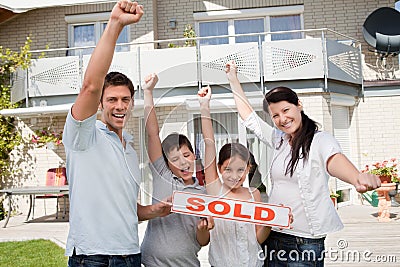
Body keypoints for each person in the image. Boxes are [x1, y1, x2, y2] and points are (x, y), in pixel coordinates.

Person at [225, 61, 381, 266]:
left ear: (299, 105)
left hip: (304, 243)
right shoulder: (279, 139)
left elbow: (334, 160)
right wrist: (233, 79)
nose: (282, 119)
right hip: (273, 236)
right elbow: (249, 118)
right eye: (275, 115)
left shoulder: (320, 140)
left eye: (286, 110)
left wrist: (356, 178)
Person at [63, 2, 171, 266]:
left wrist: (154, 211)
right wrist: (115, 25)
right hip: (94, 258)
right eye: (111, 99)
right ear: (100, 104)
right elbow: (90, 86)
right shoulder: (84, 137)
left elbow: (126, 211)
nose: (120, 106)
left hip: (131, 255)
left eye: (125, 99)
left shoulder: (130, 150)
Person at [140, 73, 214, 266]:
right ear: (166, 164)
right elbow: (152, 134)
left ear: (194, 156)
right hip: (151, 263)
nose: (183, 163)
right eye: (174, 159)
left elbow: (202, 241)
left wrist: (203, 229)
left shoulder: (205, 192)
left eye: (187, 155)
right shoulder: (163, 176)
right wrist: (148, 92)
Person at [198, 86, 272, 267]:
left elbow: (258, 238)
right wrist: (204, 106)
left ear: (248, 168)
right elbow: (209, 144)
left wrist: (270, 223)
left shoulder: (253, 194)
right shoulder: (215, 190)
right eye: (228, 169)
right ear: (219, 168)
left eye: (240, 170)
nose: (234, 176)